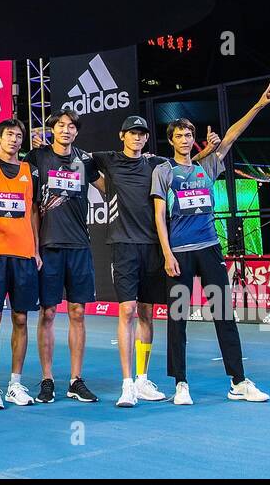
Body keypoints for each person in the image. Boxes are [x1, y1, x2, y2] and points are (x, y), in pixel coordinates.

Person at [152, 84, 270, 406]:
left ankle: (238, 381)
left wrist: (258, 105)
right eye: (178, 136)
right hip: (179, 254)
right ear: (171, 141)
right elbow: (159, 215)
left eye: (187, 135)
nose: (183, 140)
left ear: (192, 140)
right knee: (178, 318)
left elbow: (233, 136)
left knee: (224, 315)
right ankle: (180, 383)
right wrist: (166, 253)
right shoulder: (164, 172)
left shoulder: (206, 167)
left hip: (209, 249)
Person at [93, 117, 219, 407]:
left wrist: (209, 152)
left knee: (147, 314)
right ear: (122, 135)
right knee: (127, 311)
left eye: (141, 134)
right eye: (132, 133)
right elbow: (78, 164)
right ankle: (127, 385)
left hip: (152, 246)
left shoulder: (156, 164)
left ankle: (141, 379)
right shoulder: (108, 160)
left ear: (146, 138)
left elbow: (185, 160)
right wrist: (105, 187)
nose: (137, 138)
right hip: (123, 245)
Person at [23, 108, 101, 404]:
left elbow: (108, 186)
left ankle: (75, 380)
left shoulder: (85, 160)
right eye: (61, 125)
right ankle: (47, 380)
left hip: (79, 246)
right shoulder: (37, 158)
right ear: (52, 129)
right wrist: (34, 247)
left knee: (78, 313)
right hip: (49, 248)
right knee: (48, 313)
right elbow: (30, 205)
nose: (66, 130)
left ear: (76, 132)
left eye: (71, 126)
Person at [0, 119, 41, 409]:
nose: (15, 140)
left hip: (24, 254)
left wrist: (36, 249)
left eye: (19, 136)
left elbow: (33, 213)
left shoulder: (30, 171)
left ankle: (15, 384)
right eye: (10, 135)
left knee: (21, 319)